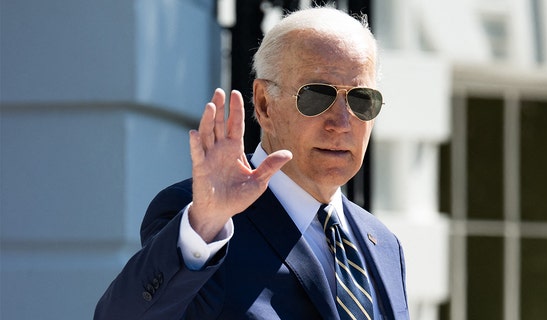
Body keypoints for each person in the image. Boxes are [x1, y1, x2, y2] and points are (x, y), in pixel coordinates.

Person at [94, 6, 408, 320]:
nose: (341, 122)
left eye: (361, 99)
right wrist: (204, 226)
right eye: (317, 96)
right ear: (264, 104)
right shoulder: (209, 225)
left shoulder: (383, 245)